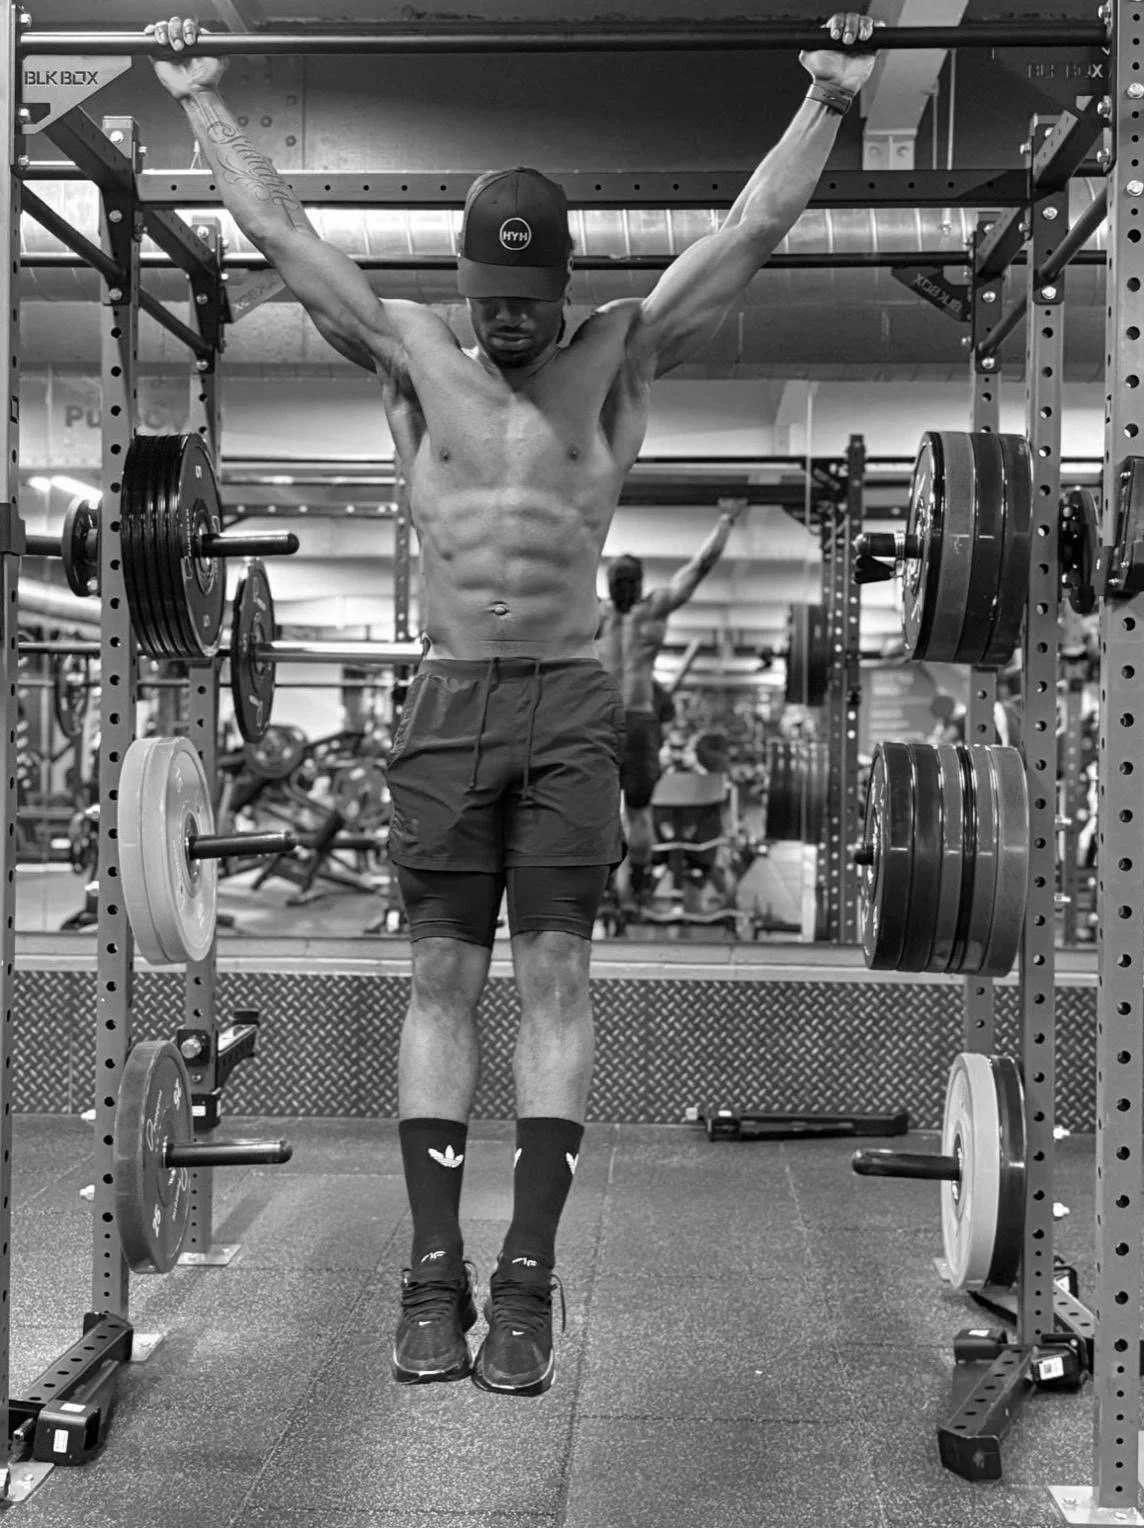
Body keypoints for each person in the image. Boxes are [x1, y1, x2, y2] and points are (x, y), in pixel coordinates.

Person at [147, 11, 881, 1397]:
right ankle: (433, 1273)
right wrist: (202, 102)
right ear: (467, 281)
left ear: (563, 288)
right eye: (490, 296)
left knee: (554, 974)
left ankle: (528, 1278)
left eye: (528, 302)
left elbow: (750, 231)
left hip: (566, 704)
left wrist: (831, 101)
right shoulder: (412, 352)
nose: (508, 320)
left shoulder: (617, 355)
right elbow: (284, 234)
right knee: (440, 976)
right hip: (446, 701)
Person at [596, 501, 745, 905]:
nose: (623, 587)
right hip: (618, 721)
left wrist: (726, 521)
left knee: (622, 812)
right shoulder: (622, 613)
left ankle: (629, 882)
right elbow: (698, 567)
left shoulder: (621, 613)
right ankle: (623, 883)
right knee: (618, 812)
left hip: (619, 722)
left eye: (625, 581)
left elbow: (699, 567)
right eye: (621, 581)